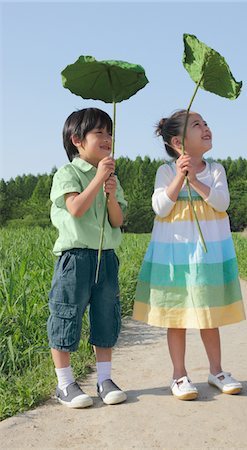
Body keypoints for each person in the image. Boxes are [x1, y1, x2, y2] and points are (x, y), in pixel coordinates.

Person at [133, 109, 246, 400]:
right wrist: (180, 178)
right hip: (175, 257)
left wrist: (194, 180)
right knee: (177, 316)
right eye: (197, 125)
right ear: (177, 143)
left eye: (206, 123)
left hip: (206, 256)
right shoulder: (166, 171)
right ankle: (179, 375)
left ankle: (216, 370)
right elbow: (161, 207)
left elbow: (221, 202)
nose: (206, 128)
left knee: (209, 315)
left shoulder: (215, 170)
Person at [47, 107, 127, 408]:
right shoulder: (67, 173)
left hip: (105, 256)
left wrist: (109, 192)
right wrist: (98, 180)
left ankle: (104, 379)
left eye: (110, 132)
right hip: (76, 257)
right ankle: (65, 383)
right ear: (77, 140)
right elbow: (76, 208)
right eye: (100, 133)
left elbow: (117, 220)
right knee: (66, 314)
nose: (107, 138)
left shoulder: (111, 178)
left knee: (106, 314)